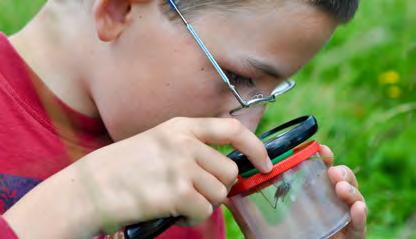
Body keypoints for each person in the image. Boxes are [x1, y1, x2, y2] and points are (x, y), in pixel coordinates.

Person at [0, 0, 367, 238]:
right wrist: (78, 199)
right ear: (119, 9)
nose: (244, 130)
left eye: (269, 94)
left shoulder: (186, 183)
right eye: (237, 78)